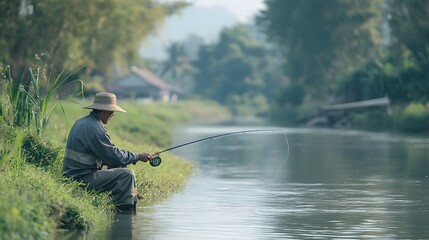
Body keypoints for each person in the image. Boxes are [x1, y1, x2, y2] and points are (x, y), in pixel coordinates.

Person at [63, 92, 152, 212]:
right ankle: (126, 213)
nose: (113, 115)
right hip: (80, 179)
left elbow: (108, 156)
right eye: (112, 112)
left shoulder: (82, 122)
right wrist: (138, 156)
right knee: (127, 174)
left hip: (71, 175)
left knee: (121, 166)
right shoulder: (95, 128)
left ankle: (130, 195)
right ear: (104, 111)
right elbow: (113, 156)